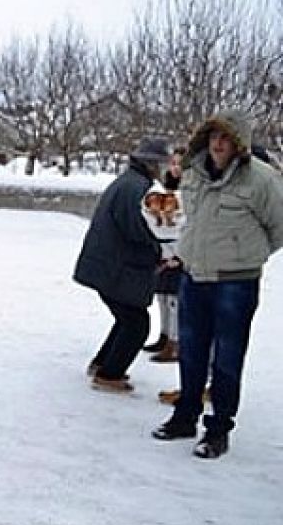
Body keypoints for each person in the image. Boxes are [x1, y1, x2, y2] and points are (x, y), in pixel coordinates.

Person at [152, 110, 283, 459]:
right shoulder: (194, 173)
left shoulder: (261, 180)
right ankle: (185, 417)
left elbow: (279, 227)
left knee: (226, 359)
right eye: (213, 137)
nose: (218, 144)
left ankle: (219, 429)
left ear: (239, 144)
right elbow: (188, 218)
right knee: (191, 352)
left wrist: (248, 255)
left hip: (235, 284)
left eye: (225, 138)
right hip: (194, 276)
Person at [73, 138, 170, 392]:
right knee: (137, 324)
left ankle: (103, 363)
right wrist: (161, 245)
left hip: (107, 264)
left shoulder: (130, 182)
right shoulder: (136, 188)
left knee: (127, 318)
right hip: (116, 266)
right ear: (152, 164)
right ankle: (109, 373)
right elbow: (138, 229)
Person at [144, 148, 184, 363]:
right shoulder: (163, 188)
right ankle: (164, 334)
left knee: (175, 299)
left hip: (180, 250)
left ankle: (175, 342)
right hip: (164, 248)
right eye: (174, 163)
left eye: (180, 164)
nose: (175, 168)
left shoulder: (188, 191)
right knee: (162, 294)